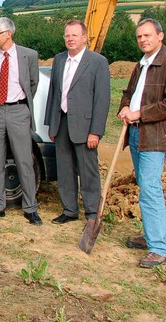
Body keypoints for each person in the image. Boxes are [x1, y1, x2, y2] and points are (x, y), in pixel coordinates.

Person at [117, 18, 166, 268]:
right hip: (136, 133)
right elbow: (129, 93)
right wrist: (125, 107)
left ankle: (159, 248)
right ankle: (151, 235)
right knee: (145, 184)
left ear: (160, 36)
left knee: (150, 188)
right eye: (139, 37)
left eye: (147, 35)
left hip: (154, 135)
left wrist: (140, 113)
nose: (143, 40)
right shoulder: (142, 64)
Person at [44, 20, 111, 224]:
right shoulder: (59, 60)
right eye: (67, 35)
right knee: (64, 170)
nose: (70, 39)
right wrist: (51, 124)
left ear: (84, 38)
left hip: (85, 125)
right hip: (62, 122)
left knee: (87, 170)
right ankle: (69, 210)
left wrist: (95, 131)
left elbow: (102, 99)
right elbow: (54, 93)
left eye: (74, 35)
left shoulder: (97, 62)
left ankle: (92, 213)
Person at [0, 17, 42, 225]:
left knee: (24, 159)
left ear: (8, 34)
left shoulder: (29, 55)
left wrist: (19, 105)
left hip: (18, 111)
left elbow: (32, 84)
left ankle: (30, 208)